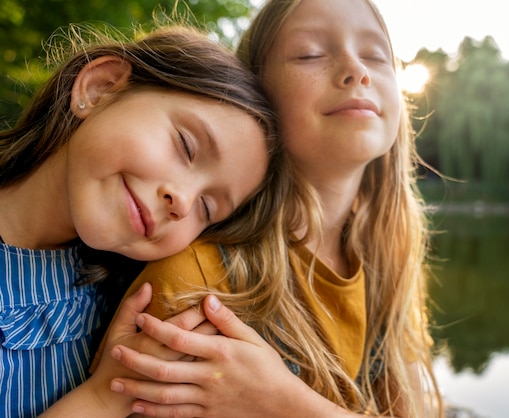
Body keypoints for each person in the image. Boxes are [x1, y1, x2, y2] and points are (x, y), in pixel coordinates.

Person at [104, 0, 442, 416]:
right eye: (310, 54)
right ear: (257, 95)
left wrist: (285, 404)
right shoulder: (194, 287)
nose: (358, 70)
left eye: (376, 55)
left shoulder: (391, 258)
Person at [0, 18, 288, 418]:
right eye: (186, 147)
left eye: (207, 208)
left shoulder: (126, 311)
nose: (183, 202)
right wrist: (102, 400)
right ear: (100, 88)